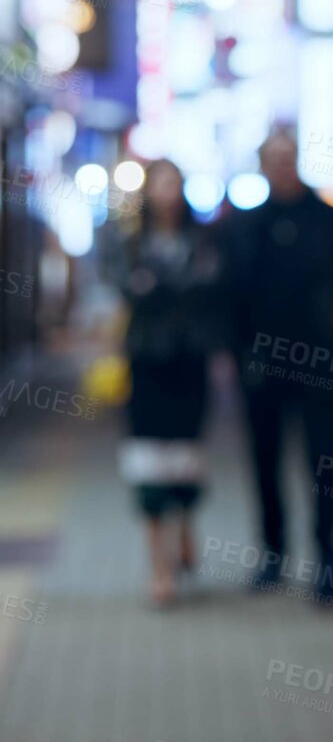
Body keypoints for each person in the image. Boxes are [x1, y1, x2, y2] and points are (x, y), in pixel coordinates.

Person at [217, 130, 333, 603]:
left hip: (321, 364)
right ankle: (273, 554)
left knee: (324, 462)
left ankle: (329, 556)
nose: (283, 167)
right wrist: (233, 355)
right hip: (261, 365)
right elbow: (229, 297)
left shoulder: (331, 220)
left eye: (289, 159)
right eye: (274, 160)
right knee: (264, 461)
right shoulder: (244, 227)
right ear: (263, 166)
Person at [101, 159, 222, 606]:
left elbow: (207, 286)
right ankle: (160, 566)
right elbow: (127, 285)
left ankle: (187, 527)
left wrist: (159, 285)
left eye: (175, 183)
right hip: (147, 362)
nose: (168, 193)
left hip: (190, 361)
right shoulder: (128, 242)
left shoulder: (202, 239)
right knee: (148, 459)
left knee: (188, 453)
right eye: (161, 184)